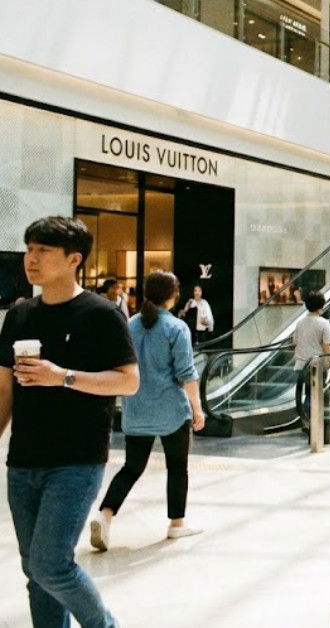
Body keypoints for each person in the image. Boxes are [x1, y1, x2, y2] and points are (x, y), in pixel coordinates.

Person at [0, 216, 139, 628]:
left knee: (51, 565)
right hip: (23, 459)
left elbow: (129, 381)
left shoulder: (101, 314)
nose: (31, 259)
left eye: (43, 250)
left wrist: (62, 376)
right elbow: (4, 389)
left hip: (76, 459)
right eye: (29, 249)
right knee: (35, 572)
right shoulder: (18, 316)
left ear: (74, 259)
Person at [91, 270, 205, 551]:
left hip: (136, 408)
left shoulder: (129, 325)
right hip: (172, 411)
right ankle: (176, 524)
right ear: (174, 295)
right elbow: (186, 374)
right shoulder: (177, 328)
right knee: (177, 468)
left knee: (131, 468)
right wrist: (198, 409)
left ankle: (105, 515)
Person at [293, 291, 330, 431]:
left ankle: (307, 420)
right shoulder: (324, 323)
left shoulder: (300, 322)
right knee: (315, 395)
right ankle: (310, 423)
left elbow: (295, 342)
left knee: (308, 393)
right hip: (317, 366)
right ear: (321, 306)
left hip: (301, 365)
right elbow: (327, 347)